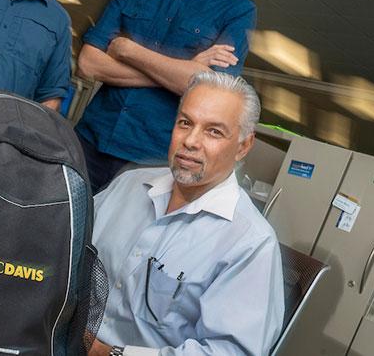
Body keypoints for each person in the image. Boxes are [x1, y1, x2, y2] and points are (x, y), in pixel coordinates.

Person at [75, 0, 256, 193]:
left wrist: (128, 50)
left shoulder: (237, 11)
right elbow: (88, 64)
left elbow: (210, 94)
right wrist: (186, 69)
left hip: (150, 165)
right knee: (52, 232)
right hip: (87, 142)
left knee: (112, 244)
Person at [89, 71, 283, 356]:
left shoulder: (251, 244)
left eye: (214, 131)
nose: (191, 141)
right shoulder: (130, 184)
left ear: (243, 146)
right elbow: (64, 245)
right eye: (185, 123)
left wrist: (108, 354)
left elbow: (227, 353)